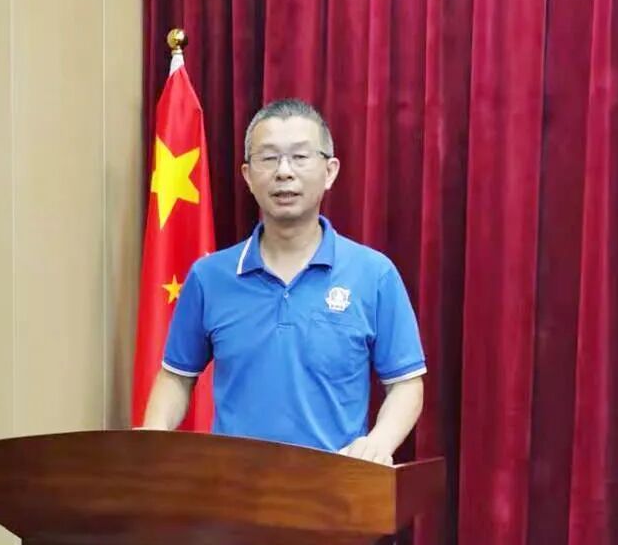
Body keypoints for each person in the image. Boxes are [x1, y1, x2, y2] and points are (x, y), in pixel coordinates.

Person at [140, 98, 425, 465]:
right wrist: (151, 441)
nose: (284, 172)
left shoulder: (374, 274)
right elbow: (177, 377)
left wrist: (378, 443)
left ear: (330, 171)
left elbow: (405, 384)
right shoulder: (209, 278)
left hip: (335, 486)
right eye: (269, 158)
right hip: (231, 487)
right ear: (247, 175)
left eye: (300, 157)